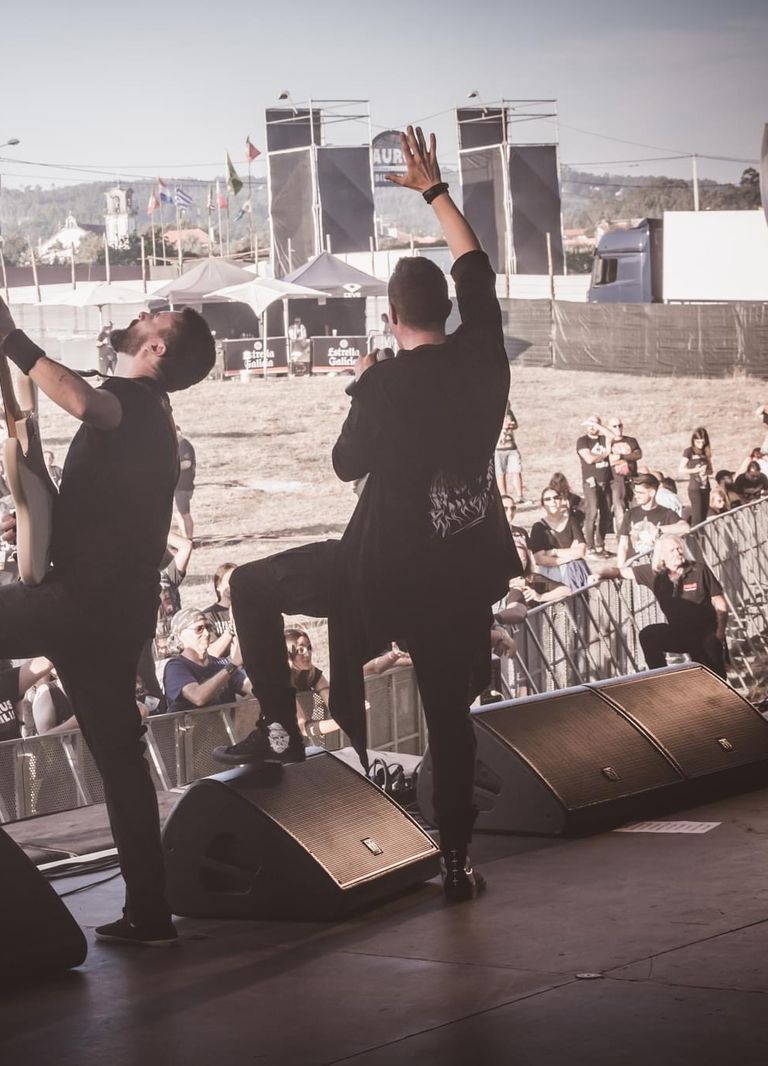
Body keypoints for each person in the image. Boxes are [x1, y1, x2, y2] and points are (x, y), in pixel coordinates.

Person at [213, 126, 512, 904]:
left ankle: (280, 726)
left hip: (380, 572)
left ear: (391, 314)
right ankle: (455, 863)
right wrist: (435, 191)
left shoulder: (384, 385)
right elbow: (476, 265)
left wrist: (367, 384)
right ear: (448, 308)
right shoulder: (486, 355)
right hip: (461, 573)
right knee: (448, 718)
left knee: (249, 585)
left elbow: (347, 464)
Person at [0, 286, 216, 951]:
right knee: (119, 759)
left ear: (156, 346)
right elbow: (100, 510)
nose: (141, 312)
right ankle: (149, 912)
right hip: (118, 609)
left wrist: (10, 338)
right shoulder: (152, 417)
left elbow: (85, 402)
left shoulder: (135, 403)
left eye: (154, 315)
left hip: (80, 601)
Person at [623, 535, 729, 677]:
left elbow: (720, 603)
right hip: (679, 633)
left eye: (679, 549)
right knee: (648, 635)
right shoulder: (655, 574)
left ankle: (717, 686)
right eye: (672, 550)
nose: (678, 553)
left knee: (711, 676)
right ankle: (662, 679)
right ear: (662, 556)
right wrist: (600, 574)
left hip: (704, 634)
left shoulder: (699, 570)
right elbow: (621, 572)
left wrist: (719, 635)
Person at [161, 608, 249, 713]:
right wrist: (233, 665)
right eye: (199, 629)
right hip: (192, 724)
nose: (206, 633)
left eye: (208, 627)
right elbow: (198, 697)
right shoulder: (176, 667)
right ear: (180, 635)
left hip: (226, 723)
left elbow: (252, 687)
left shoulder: (221, 664)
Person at [615, 473, 689, 563]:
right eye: (635, 492)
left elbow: (685, 528)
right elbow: (623, 545)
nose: (636, 496)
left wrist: (659, 530)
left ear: (652, 493)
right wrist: (621, 566)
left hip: (658, 566)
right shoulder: (630, 514)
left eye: (640, 493)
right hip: (635, 566)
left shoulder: (666, 513)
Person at [528, 485, 590, 589]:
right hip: (550, 577)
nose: (553, 501)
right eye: (547, 499)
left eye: (556, 498)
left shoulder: (572, 522)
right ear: (543, 504)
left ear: (561, 500)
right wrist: (570, 555)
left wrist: (554, 552)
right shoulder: (538, 527)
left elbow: (581, 551)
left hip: (574, 572)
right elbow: (539, 559)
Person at [575, 416, 614, 552]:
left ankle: (600, 545)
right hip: (591, 482)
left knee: (606, 514)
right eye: (589, 424)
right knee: (592, 514)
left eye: (595, 424)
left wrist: (598, 426)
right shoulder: (582, 441)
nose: (592, 427)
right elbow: (589, 459)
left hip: (606, 482)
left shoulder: (603, 439)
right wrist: (606, 454)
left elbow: (612, 436)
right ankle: (590, 547)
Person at [495, 406, 523, 504]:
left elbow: (516, 425)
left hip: (511, 447)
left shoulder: (509, 413)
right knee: (500, 474)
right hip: (498, 449)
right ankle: (504, 497)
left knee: (517, 471)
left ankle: (520, 497)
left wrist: (511, 425)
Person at [174, 426, 196, 539]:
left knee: (185, 514)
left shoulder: (184, 446)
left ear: (179, 432)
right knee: (180, 514)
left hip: (183, 487)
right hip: (180, 486)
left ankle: (189, 538)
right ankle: (185, 537)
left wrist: (173, 468)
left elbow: (187, 463)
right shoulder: (179, 446)